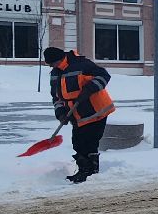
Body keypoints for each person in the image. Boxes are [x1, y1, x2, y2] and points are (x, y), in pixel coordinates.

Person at [43, 46, 115, 184]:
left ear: (60, 59)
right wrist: (61, 113)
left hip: (96, 110)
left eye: (53, 63)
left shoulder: (82, 65)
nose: (52, 66)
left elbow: (104, 75)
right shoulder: (55, 73)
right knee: (78, 143)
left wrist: (90, 88)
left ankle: (90, 173)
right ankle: (83, 170)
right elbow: (56, 97)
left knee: (89, 142)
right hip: (77, 113)